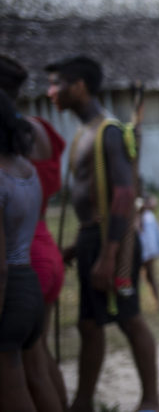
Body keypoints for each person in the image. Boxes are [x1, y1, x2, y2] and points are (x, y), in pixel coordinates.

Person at [46, 55, 159, 412]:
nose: (51, 91)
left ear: (79, 86)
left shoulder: (109, 132)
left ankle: (151, 400)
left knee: (128, 318)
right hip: (92, 238)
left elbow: (124, 194)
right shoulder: (84, 132)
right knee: (88, 325)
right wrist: (79, 246)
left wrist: (109, 254)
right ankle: (82, 402)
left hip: (115, 242)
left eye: (58, 83)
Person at [1, 54, 68, 410]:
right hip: (41, 250)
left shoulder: (7, 153)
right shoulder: (35, 136)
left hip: (19, 260)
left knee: (14, 381)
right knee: (39, 364)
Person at [0, 89, 44, 411]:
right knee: (39, 377)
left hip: (8, 290)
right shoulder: (26, 169)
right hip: (29, 283)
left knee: (11, 386)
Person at [137, 193, 159, 311]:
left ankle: (158, 304)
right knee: (134, 277)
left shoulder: (148, 216)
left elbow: (153, 203)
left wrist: (145, 206)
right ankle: (136, 308)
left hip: (147, 242)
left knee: (150, 275)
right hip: (135, 241)